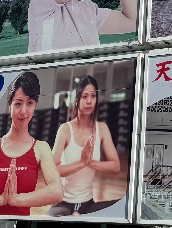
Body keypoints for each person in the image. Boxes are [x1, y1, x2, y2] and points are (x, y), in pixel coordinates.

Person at [0, 72, 63, 217]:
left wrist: (17, 200)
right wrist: (1, 200)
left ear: (35, 106)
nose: (23, 111)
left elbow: (57, 191)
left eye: (30, 103)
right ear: (10, 105)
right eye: (18, 103)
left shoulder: (41, 148)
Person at [49, 76, 121, 216]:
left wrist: (90, 162)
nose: (89, 101)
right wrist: (81, 163)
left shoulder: (102, 128)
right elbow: (51, 170)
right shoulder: (65, 129)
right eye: (85, 96)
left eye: (93, 96)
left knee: (119, 207)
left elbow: (116, 167)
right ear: (77, 100)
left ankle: (77, 216)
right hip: (62, 203)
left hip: (88, 204)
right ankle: (74, 217)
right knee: (53, 218)